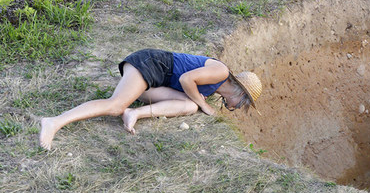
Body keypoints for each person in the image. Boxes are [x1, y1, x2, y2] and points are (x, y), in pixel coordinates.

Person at [39, 49, 262, 150]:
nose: (234, 108)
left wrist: (199, 102)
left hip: (155, 80)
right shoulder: (221, 72)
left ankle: (134, 113)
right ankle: (54, 122)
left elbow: (188, 89)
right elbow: (186, 79)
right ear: (240, 94)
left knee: (189, 105)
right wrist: (205, 105)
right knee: (115, 105)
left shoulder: (215, 86)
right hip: (150, 64)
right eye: (240, 106)